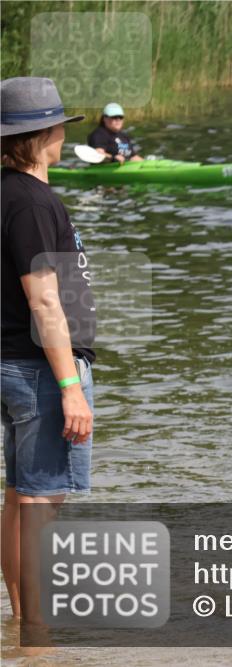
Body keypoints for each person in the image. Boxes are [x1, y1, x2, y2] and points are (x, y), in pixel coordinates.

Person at [1, 77, 96, 646]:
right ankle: (38, 639)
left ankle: (19, 621)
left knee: (19, 495)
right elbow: (43, 298)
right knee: (40, 499)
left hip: (12, 361)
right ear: (47, 134)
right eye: (60, 126)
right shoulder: (33, 202)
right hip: (36, 366)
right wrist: (69, 384)